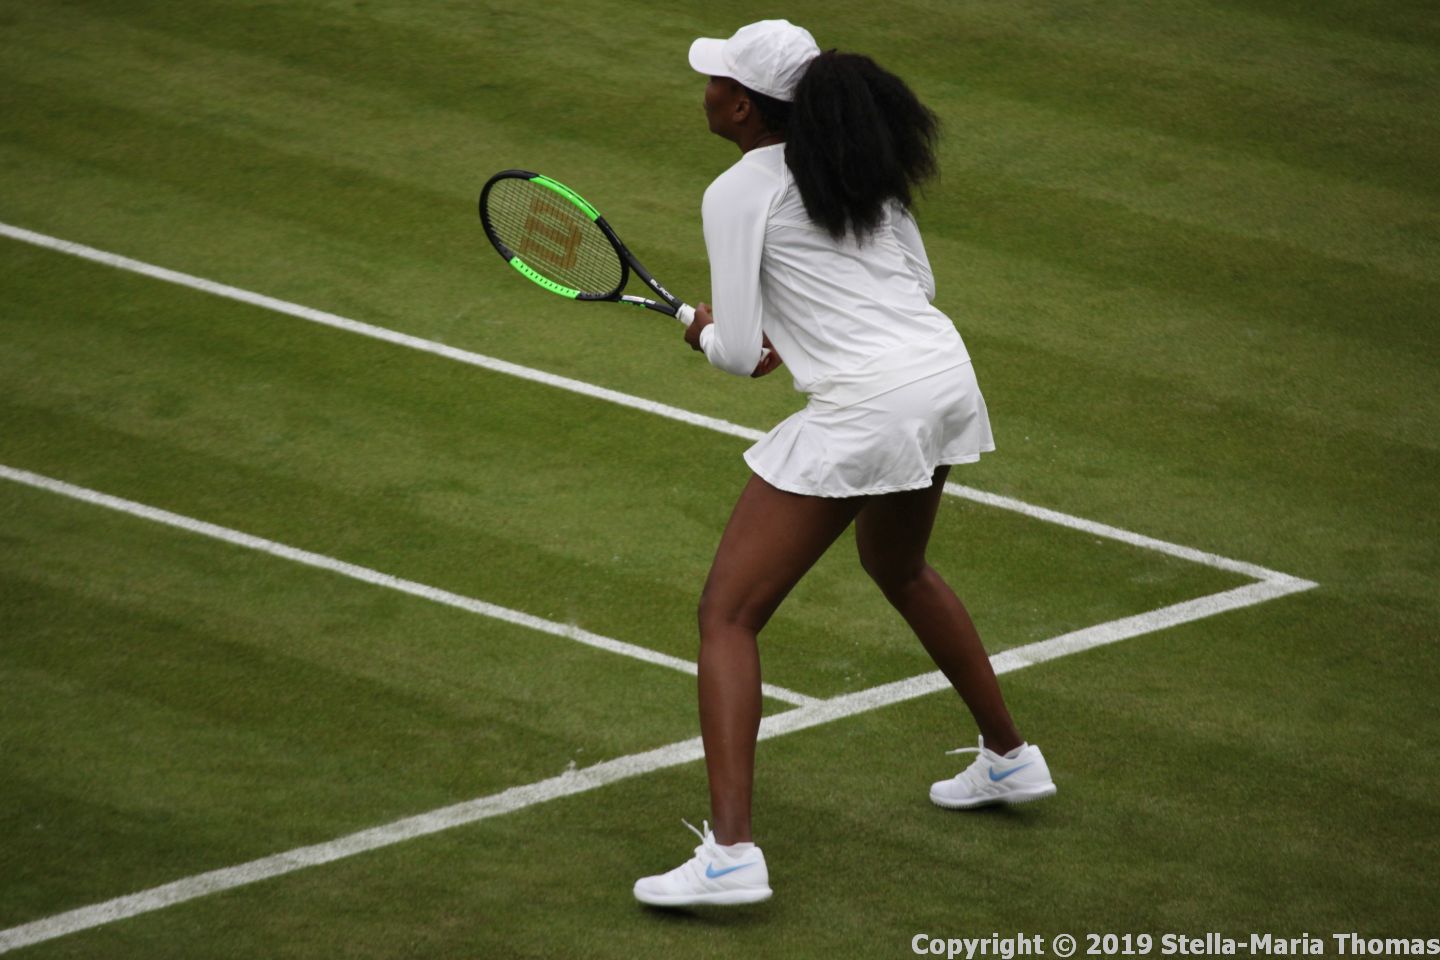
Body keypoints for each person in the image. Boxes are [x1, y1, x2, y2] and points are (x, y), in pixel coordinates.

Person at [632, 20, 1056, 909]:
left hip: (872, 403)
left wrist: (704, 331)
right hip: (943, 375)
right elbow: (913, 287)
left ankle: (731, 855)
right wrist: (792, 331)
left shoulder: (738, 192)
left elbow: (740, 353)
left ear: (743, 108)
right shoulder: (858, 166)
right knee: (898, 566)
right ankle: (1010, 758)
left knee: (727, 616)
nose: (706, 89)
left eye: (718, 81)